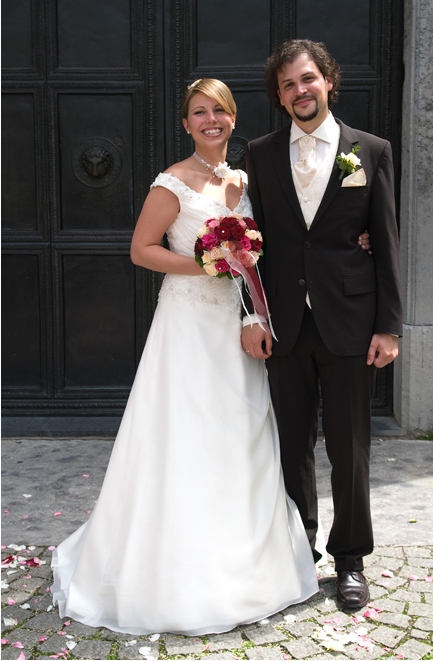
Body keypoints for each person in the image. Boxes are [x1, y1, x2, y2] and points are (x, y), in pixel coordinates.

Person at [51, 79, 367, 634]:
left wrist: (354, 240)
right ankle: (175, 566)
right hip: (189, 323)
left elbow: (284, 243)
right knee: (185, 435)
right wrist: (209, 265)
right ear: (186, 123)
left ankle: (247, 558)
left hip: (242, 327)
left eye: (219, 111)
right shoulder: (173, 182)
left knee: (242, 434)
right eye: (199, 113)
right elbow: (141, 249)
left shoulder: (247, 181)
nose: (210, 121)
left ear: (232, 117)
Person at [242, 39, 403, 611]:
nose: (299, 91)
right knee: (291, 445)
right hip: (285, 321)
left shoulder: (372, 151)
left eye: (307, 79)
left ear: (328, 81)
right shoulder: (259, 155)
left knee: (350, 447)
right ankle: (296, 551)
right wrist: (252, 313)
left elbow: (385, 241)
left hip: (352, 323)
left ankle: (352, 559)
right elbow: (248, 246)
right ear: (279, 96)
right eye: (287, 85)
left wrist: (389, 326)